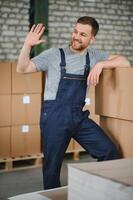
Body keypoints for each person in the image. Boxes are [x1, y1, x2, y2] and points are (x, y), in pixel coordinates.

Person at [17, 16, 130, 189]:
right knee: (52, 169)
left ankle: (103, 192)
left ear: (92, 39)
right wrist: (27, 45)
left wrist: (101, 65)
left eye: (83, 34)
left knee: (109, 151)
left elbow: (124, 61)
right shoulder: (54, 54)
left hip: (78, 116)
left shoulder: (94, 55)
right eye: (75, 31)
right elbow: (22, 69)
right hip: (55, 117)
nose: (76, 36)